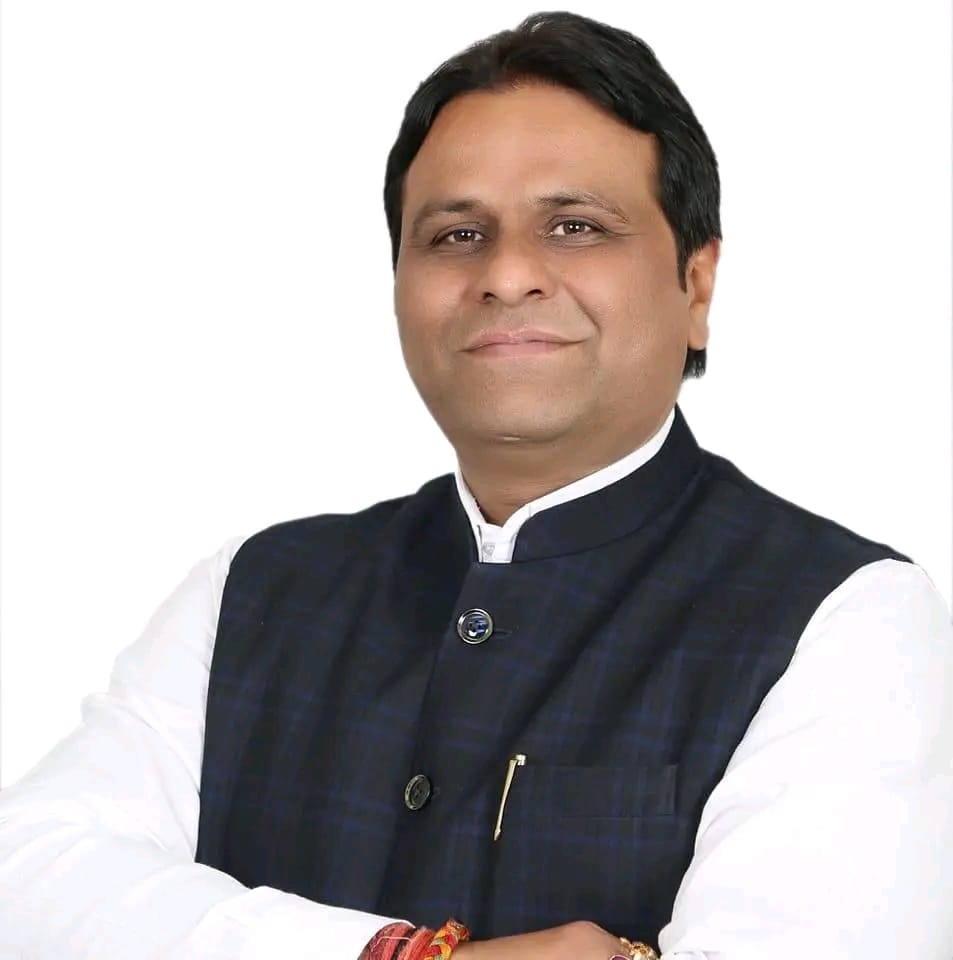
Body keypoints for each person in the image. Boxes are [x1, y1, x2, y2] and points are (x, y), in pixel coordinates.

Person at [2, 9, 952, 959]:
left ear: (695, 285)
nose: (506, 275)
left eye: (575, 226)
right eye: (456, 234)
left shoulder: (843, 615)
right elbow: (27, 877)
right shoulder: (253, 587)